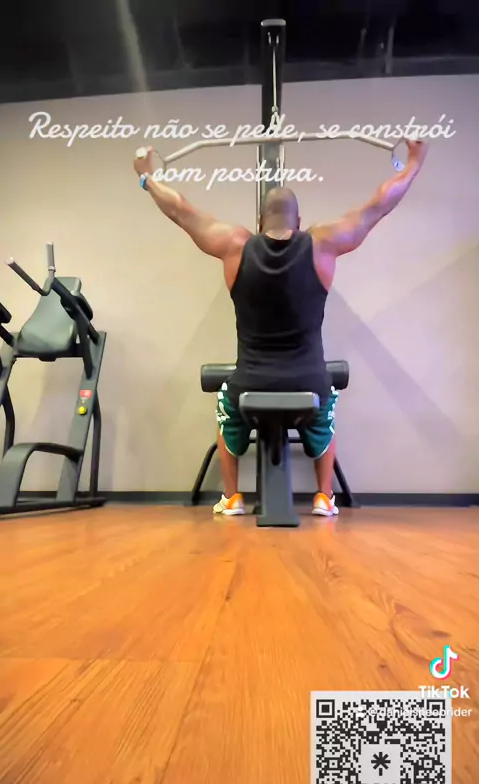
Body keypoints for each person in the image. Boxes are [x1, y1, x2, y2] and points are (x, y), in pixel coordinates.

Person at [133, 139, 428, 517]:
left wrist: (147, 178)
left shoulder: (235, 245)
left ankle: (232, 497)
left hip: (249, 384)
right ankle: (324, 497)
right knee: (326, 406)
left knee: (225, 405)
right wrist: (413, 165)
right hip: (310, 382)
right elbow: (377, 206)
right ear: (299, 222)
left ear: (259, 223)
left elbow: (181, 210)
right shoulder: (322, 244)